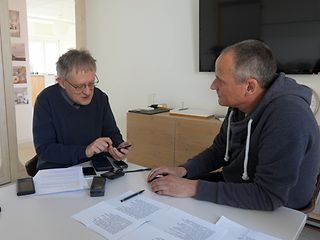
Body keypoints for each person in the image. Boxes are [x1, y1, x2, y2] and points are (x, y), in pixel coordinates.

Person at [148, 39, 320, 211]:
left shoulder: (289, 116)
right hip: (241, 185)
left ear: (250, 86)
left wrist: (191, 187)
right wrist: (182, 171)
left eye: (220, 80)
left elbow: (268, 196)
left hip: (280, 209)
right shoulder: (239, 104)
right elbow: (219, 150)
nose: (212, 86)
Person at [33, 49, 130, 170]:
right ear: (62, 82)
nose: (87, 92)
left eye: (91, 84)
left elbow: (111, 133)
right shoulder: (46, 100)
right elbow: (45, 149)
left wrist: (118, 146)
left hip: (93, 166)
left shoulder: (100, 97)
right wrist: (86, 150)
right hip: (57, 169)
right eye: (79, 86)